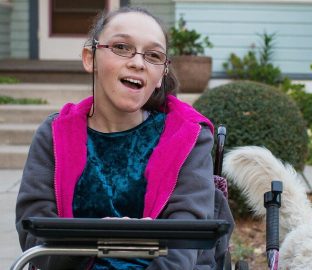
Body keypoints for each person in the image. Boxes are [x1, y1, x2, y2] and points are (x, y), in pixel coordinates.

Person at [15, 6, 219, 269]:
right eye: (122, 47)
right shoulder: (54, 136)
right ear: (90, 58)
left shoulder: (188, 137)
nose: (137, 62)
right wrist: (98, 237)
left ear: (161, 76)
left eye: (153, 55)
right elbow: (36, 241)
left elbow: (184, 246)